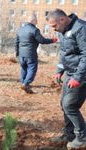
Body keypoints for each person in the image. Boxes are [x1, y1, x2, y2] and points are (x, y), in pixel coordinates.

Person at [46, 9, 86, 149]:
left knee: (70, 105)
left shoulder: (81, 28)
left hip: (81, 74)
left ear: (62, 20)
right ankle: (70, 135)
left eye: (54, 26)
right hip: (69, 72)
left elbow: (85, 55)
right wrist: (59, 70)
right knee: (64, 104)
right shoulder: (63, 31)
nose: (54, 29)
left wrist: (78, 77)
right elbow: (64, 52)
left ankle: (82, 137)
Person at [15, 14, 57, 94]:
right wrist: (52, 40)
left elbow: (16, 43)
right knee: (32, 69)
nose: (37, 22)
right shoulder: (35, 30)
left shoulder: (20, 30)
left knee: (23, 68)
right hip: (30, 54)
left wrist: (17, 54)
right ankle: (25, 84)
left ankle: (23, 82)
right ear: (33, 21)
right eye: (36, 20)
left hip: (21, 54)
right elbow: (42, 40)